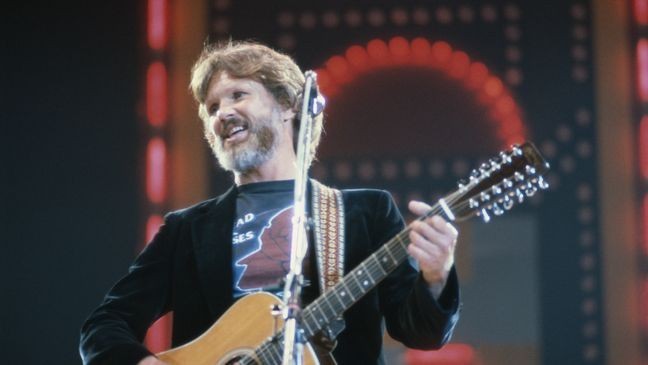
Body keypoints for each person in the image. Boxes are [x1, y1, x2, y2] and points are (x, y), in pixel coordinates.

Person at [79, 41, 460, 365]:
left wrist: (436, 276)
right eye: (211, 108)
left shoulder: (365, 212)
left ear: (288, 106)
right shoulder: (188, 229)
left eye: (237, 95)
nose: (222, 114)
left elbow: (421, 333)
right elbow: (104, 325)